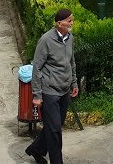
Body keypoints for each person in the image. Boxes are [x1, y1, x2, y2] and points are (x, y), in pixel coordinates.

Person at [26, 8, 78, 164]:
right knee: (55, 130)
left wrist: (74, 82)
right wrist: (37, 95)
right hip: (50, 91)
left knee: (53, 126)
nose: (72, 23)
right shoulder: (46, 40)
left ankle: (35, 149)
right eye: (69, 21)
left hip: (64, 90)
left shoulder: (70, 38)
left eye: (72, 20)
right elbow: (37, 67)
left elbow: (71, 62)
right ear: (59, 23)